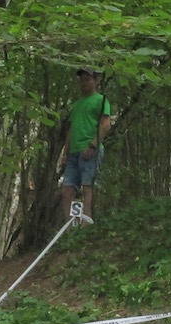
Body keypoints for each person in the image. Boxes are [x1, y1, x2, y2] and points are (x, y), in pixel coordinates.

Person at [61, 67, 112, 225]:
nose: (84, 83)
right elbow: (71, 129)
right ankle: (70, 228)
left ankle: (85, 226)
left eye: (87, 79)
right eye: (81, 80)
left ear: (94, 81)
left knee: (86, 187)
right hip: (73, 152)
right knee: (67, 190)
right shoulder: (76, 105)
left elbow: (105, 125)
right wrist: (65, 152)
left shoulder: (100, 100)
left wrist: (92, 146)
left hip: (90, 149)